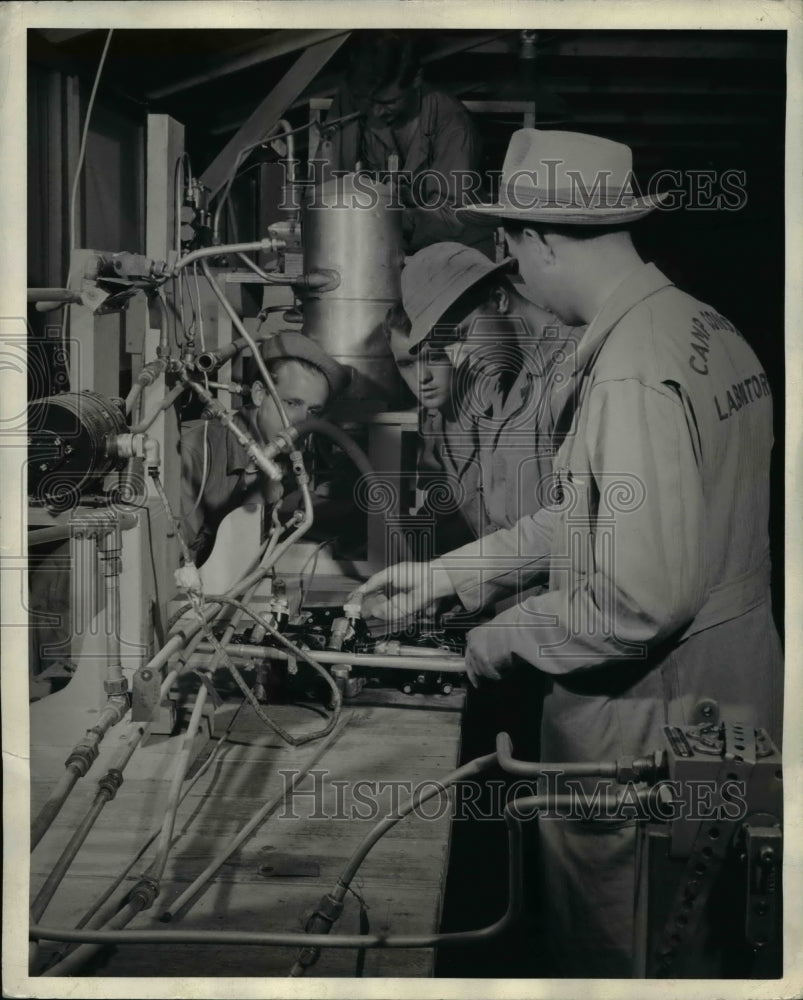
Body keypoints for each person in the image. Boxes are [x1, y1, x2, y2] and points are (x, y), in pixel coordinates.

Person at [351, 129, 784, 976]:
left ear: (542, 240)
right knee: (703, 938)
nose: (512, 272)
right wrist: (446, 575)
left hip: (650, 726)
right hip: (730, 701)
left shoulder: (626, 371)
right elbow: (589, 515)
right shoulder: (696, 324)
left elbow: (635, 602)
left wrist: (496, 640)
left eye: (511, 249)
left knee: (623, 953)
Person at [385, 241, 576, 542]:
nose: (462, 357)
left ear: (499, 300)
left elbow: (576, 523)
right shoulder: (501, 380)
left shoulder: (575, 367)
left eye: (461, 336)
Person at [181, 332, 349, 568]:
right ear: (259, 394)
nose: (302, 421)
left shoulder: (293, 456)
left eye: (313, 411)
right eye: (292, 403)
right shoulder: (196, 452)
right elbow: (177, 560)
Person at [320, 30, 494, 253]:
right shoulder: (360, 96)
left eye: (388, 102)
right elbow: (326, 185)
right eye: (369, 101)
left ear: (416, 79)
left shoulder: (452, 123)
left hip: (456, 251)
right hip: (389, 243)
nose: (375, 112)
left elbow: (450, 217)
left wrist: (379, 217)